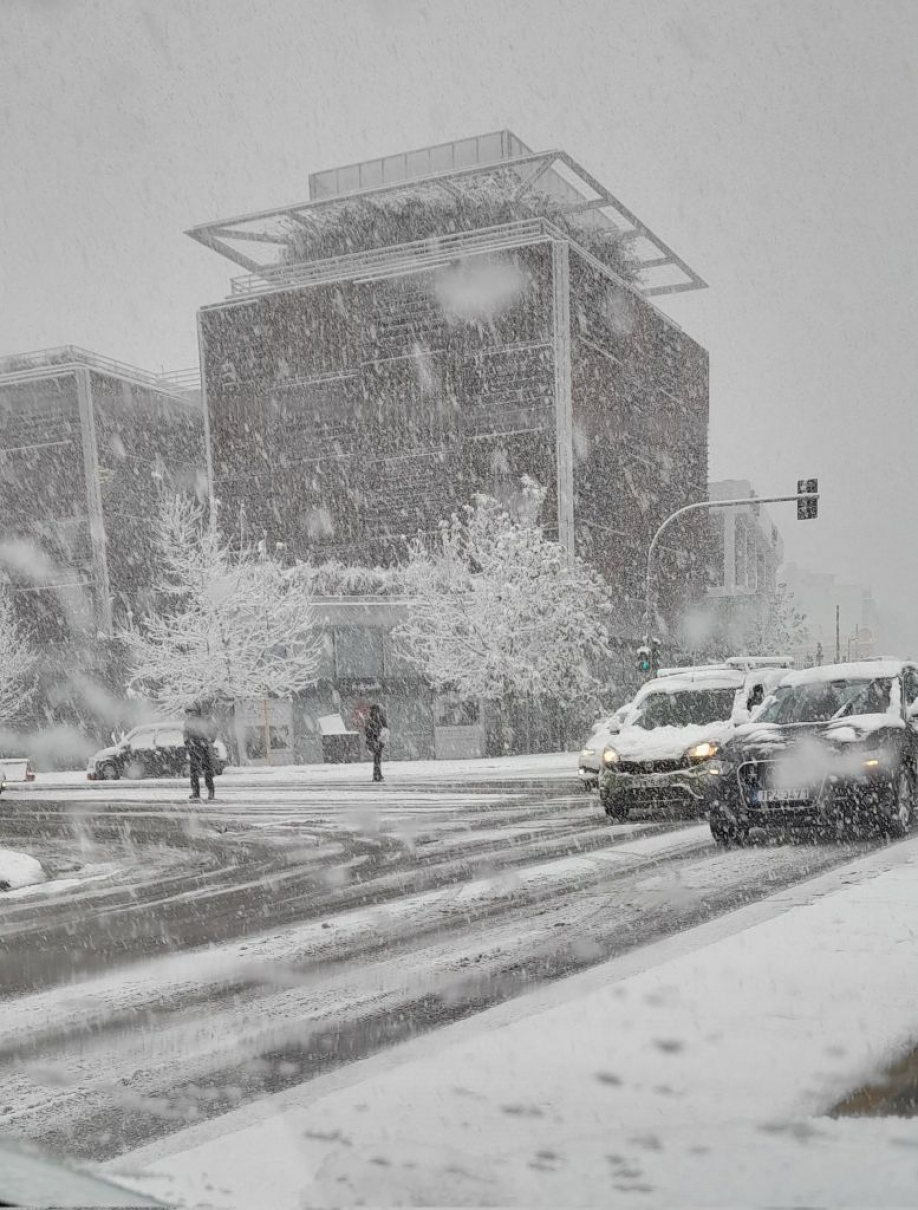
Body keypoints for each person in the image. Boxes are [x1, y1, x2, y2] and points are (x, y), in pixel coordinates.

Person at [183, 702, 218, 801]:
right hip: (194, 747)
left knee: (207, 770)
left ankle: (211, 792)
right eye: (188, 712)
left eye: (192, 711)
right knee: (194, 772)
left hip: (204, 747)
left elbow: (214, 730)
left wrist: (209, 740)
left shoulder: (206, 719)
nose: (190, 714)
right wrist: (188, 743)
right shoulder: (188, 722)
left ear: (197, 711)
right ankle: (196, 792)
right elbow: (185, 733)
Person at [364, 703, 389, 783]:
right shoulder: (377, 719)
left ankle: (377, 775)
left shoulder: (373, 719)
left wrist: (374, 737)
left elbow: (367, 730)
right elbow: (385, 728)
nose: (374, 711)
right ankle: (377, 775)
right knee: (377, 758)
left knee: (377, 758)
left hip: (376, 740)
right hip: (376, 740)